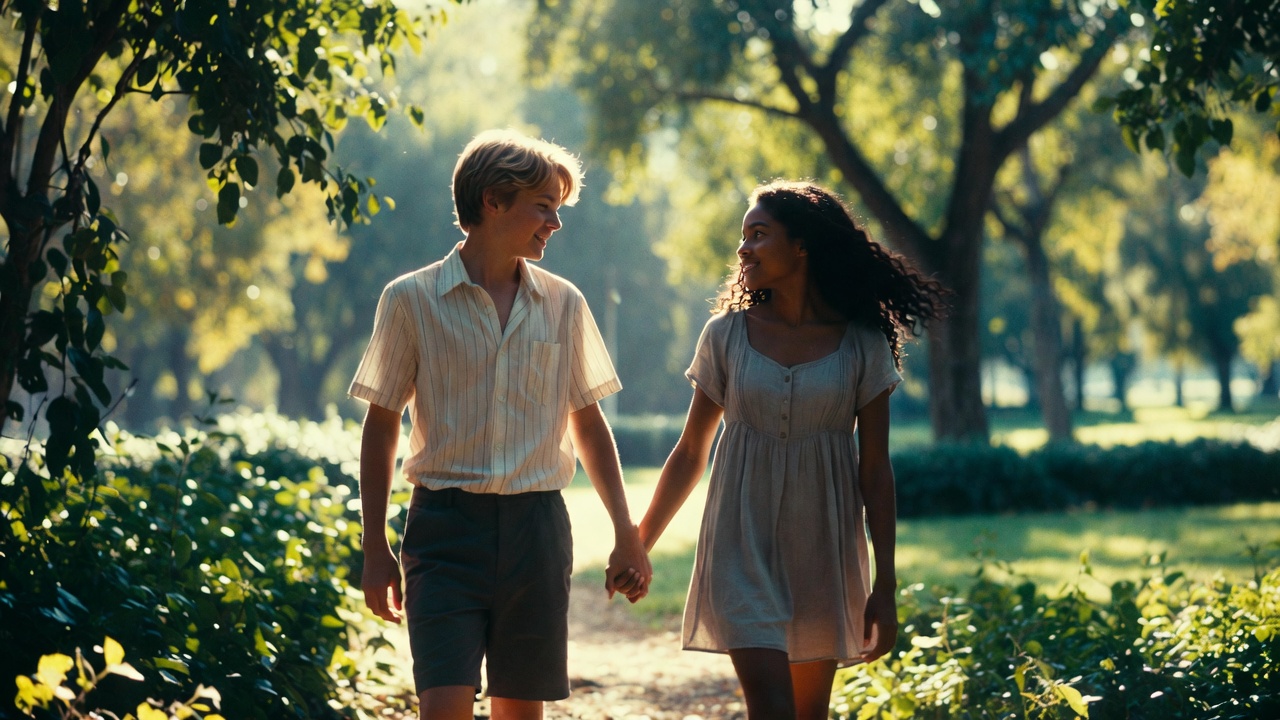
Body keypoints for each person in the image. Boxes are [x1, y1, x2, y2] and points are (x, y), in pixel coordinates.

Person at [350, 129, 651, 720]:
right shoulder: (409, 300)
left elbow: (588, 424)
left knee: (520, 713)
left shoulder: (565, 303)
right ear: (492, 201)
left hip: (537, 531)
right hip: (443, 531)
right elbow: (381, 425)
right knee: (443, 708)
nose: (555, 224)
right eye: (544, 206)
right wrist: (374, 546)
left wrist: (626, 531)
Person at [637, 180, 948, 719]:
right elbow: (691, 452)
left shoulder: (862, 344)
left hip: (822, 551)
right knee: (772, 709)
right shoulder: (725, 336)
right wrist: (639, 544)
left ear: (801, 245)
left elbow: (875, 469)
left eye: (758, 234)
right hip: (740, 545)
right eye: (742, 237)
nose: (743, 248)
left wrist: (886, 586)